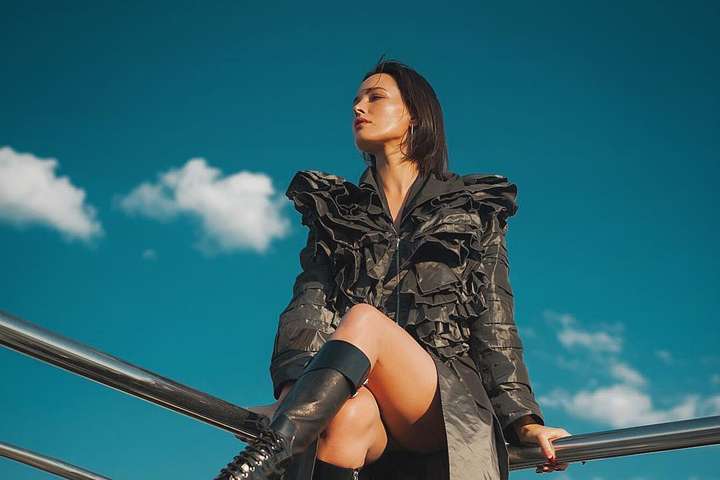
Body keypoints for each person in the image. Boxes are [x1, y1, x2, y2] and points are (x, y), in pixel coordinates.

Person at [214, 57, 571, 480]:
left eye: (375, 97)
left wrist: (524, 421)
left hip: (439, 399)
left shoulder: (472, 207)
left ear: (415, 116)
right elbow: (308, 309)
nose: (358, 107)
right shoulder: (337, 212)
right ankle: (272, 452)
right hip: (364, 401)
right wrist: (294, 395)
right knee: (346, 418)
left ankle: (255, 466)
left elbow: (495, 321)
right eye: (356, 99)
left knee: (365, 319)